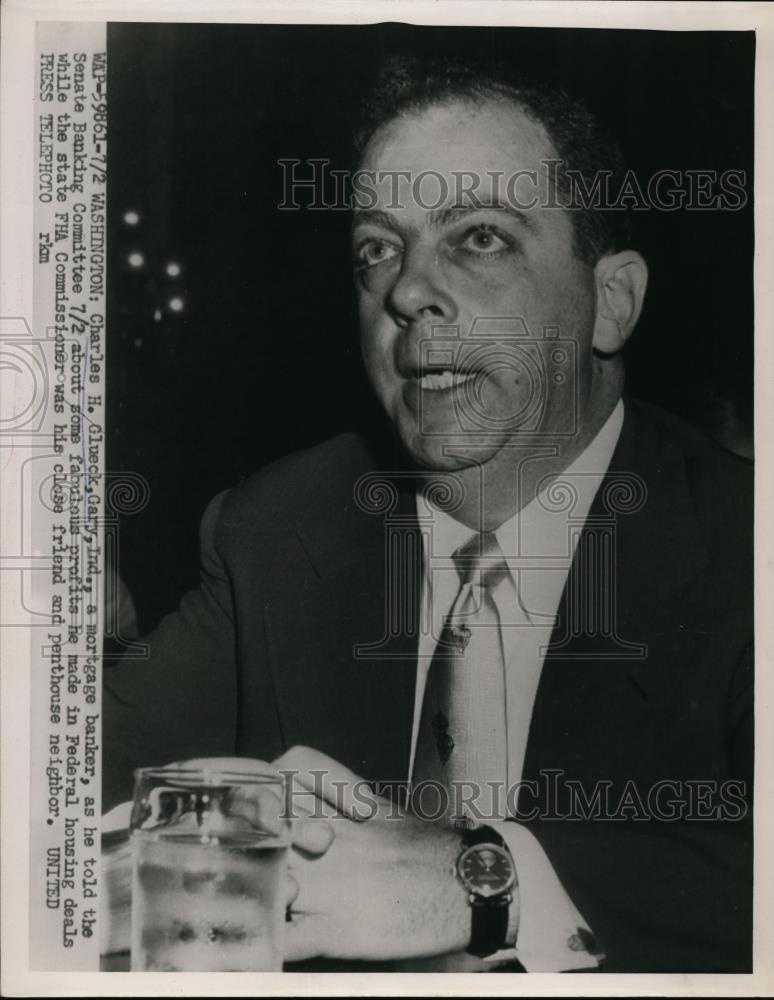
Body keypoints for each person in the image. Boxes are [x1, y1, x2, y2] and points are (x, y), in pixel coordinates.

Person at [103, 56, 753, 973]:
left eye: (478, 237)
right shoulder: (275, 531)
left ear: (612, 302)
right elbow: (61, 784)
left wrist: (476, 883)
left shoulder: (745, 548)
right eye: (377, 247)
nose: (406, 291)